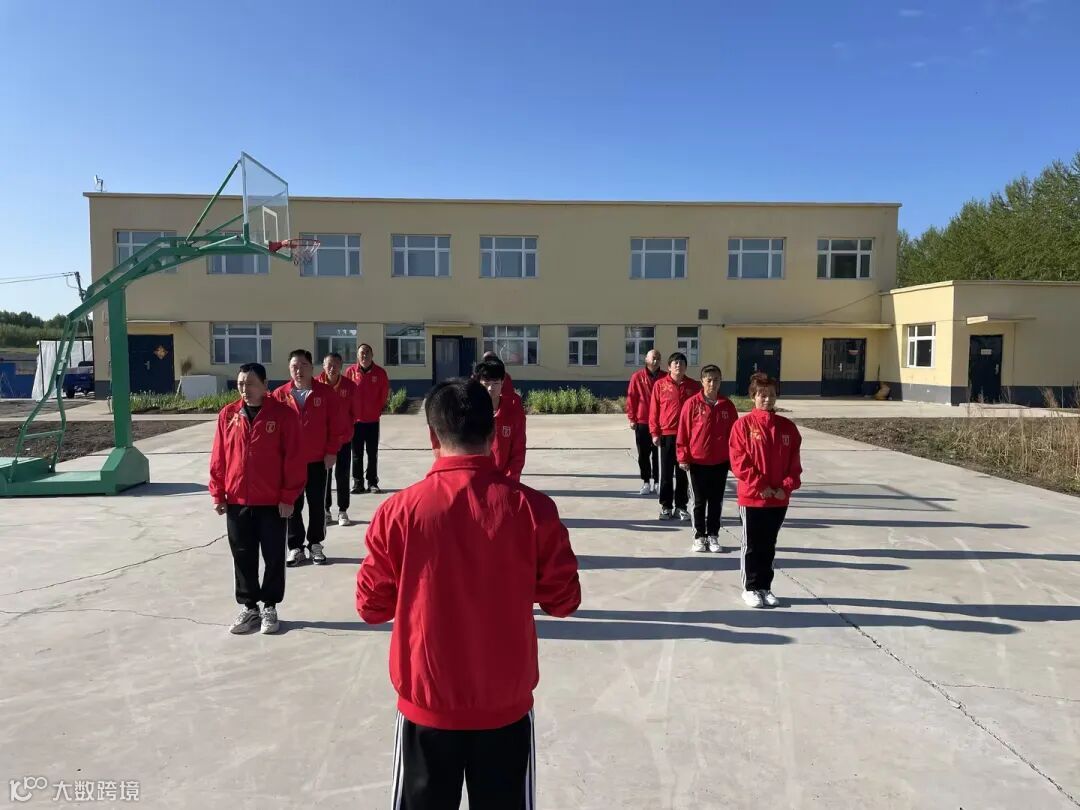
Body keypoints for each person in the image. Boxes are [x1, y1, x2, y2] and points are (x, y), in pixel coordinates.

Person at [356, 378, 580, 809]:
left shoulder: (399, 512)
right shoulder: (533, 509)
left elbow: (371, 606)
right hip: (504, 706)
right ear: (493, 434)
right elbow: (564, 599)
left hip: (427, 704)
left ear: (432, 435)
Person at [210, 362, 304, 635]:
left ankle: (270, 606)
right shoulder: (228, 415)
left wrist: (288, 497)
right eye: (241, 384)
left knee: (273, 556)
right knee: (242, 555)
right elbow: (219, 456)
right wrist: (218, 492)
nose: (245, 389)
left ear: (265, 385)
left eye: (250, 383)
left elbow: (294, 460)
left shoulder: (283, 416)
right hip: (237, 500)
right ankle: (249, 607)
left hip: (272, 502)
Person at [728, 372, 803, 609]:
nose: (767, 399)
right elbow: (739, 462)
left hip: (778, 499)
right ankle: (750, 587)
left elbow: (794, 465)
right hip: (753, 497)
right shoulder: (742, 426)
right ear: (753, 397)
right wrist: (761, 486)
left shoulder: (787, 428)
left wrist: (786, 486)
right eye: (762, 394)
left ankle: (765, 587)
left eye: (771, 394)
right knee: (752, 544)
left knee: (769, 544)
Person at [272, 349, 351, 567]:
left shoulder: (325, 393)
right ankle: (295, 546)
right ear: (289, 369)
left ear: (312, 368)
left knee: (317, 504)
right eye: (294, 367)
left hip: (318, 460)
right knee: (292, 504)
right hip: (290, 462)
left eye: (303, 366)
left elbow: (336, 425)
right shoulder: (279, 395)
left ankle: (315, 544)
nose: (299, 371)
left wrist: (331, 451)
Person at [677, 365, 739, 554]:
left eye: (716, 380)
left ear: (721, 381)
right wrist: (683, 456)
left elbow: (735, 437)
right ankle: (699, 536)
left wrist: (734, 460)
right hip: (697, 462)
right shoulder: (691, 404)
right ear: (702, 381)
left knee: (716, 501)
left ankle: (713, 535)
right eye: (709, 380)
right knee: (698, 502)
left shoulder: (727, 406)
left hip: (720, 462)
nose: (712, 383)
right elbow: (683, 432)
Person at [649, 352, 702, 521]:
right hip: (667, 435)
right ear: (669, 367)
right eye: (675, 363)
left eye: (682, 363)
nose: (678, 365)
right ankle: (666, 506)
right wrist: (655, 433)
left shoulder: (694, 386)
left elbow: (699, 412)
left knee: (682, 472)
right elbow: (654, 410)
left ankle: (681, 506)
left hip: (687, 437)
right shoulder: (660, 385)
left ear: (686, 367)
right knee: (666, 473)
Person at [315, 352, 357, 526]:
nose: (332, 368)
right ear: (323, 366)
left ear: (341, 366)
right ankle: (325, 510)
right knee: (324, 475)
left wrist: (346, 429)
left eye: (335, 365)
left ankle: (342, 510)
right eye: (329, 365)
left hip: (343, 439)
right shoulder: (316, 385)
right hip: (322, 440)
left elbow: (354, 412)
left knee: (343, 475)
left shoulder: (350, 386)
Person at [344, 343, 390, 495]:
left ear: (372, 355)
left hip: (372, 421)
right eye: (361, 353)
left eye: (367, 352)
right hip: (355, 421)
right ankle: (358, 483)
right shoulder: (350, 372)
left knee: (372, 453)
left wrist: (377, 410)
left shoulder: (380, 373)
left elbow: (383, 394)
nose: (364, 355)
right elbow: (346, 393)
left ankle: (372, 482)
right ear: (357, 356)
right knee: (356, 454)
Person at [474, 356, 526, 481]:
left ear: (502, 382)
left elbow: (518, 450)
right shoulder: (470, 413)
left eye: (495, 383)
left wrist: (509, 481)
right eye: (486, 384)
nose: (490, 388)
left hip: (506, 480)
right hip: (478, 480)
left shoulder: (513, 411)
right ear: (479, 383)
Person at [626, 349, 663, 495]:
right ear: (646, 359)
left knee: (659, 455)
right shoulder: (637, 377)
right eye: (653, 357)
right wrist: (632, 418)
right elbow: (632, 398)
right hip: (643, 420)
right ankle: (646, 481)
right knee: (643, 454)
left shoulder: (665, 377)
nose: (656, 360)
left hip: (661, 422)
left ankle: (658, 482)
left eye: (658, 358)